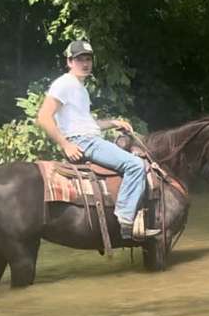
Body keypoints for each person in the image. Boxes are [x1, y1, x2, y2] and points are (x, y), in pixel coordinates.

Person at [37, 40, 159, 240]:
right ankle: (126, 220)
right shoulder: (64, 84)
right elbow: (43, 117)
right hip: (85, 142)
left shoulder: (79, 87)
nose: (85, 64)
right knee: (136, 165)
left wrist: (113, 123)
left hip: (89, 136)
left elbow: (86, 122)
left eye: (88, 59)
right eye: (79, 59)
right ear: (69, 61)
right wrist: (65, 144)